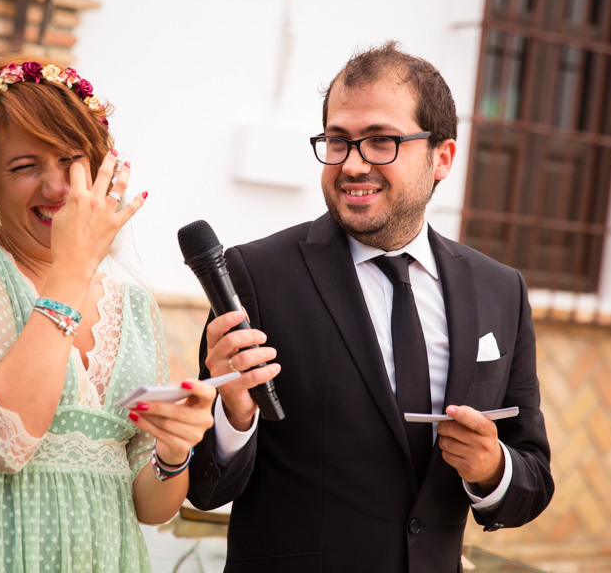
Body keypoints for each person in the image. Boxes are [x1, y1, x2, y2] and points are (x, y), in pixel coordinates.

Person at [187, 42, 554, 572]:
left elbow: (534, 479)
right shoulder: (255, 276)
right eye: (338, 142)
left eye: (381, 141)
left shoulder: (501, 290)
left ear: (442, 157)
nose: (353, 164)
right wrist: (234, 417)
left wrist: (493, 469)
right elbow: (203, 486)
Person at [0, 56, 216, 572]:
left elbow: (150, 509)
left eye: (71, 160)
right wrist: (73, 267)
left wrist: (173, 451)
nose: (56, 188)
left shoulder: (135, 306)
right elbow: (6, 443)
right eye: (25, 166)